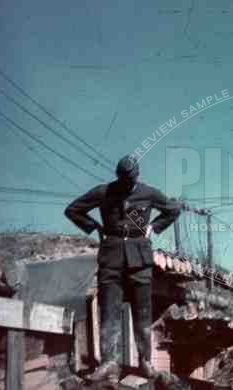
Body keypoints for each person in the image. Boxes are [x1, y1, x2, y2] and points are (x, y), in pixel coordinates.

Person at [64, 154, 181, 382]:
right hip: (112, 256)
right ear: (118, 176)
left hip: (140, 257)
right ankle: (109, 362)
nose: (128, 184)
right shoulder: (103, 192)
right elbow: (73, 210)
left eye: (132, 180)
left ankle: (146, 362)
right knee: (109, 310)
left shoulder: (148, 192)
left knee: (142, 312)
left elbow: (173, 210)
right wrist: (95, 227)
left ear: (137, 176)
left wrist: (154, 227)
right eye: (124, 180)